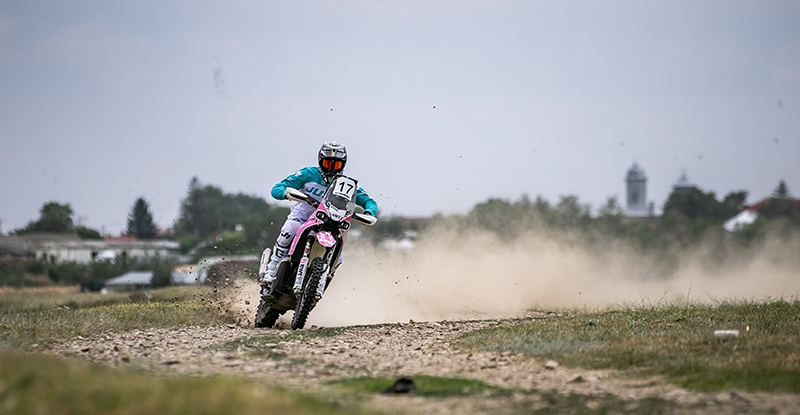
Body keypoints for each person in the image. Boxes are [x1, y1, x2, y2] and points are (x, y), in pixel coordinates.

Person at [260, 141, 378, 290]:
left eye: (336, 165)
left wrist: (369, 212)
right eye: (327, 163)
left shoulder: (346, 185)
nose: (331, 169)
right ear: (320, 161)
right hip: (302, 218)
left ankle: (320, 284)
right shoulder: (308, 173)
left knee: (339, 257)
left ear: (343, 165)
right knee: (289, 230)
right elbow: (277, 188)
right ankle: (271, 271)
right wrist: (285, 192)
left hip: (331, 224)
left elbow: (369, 201)